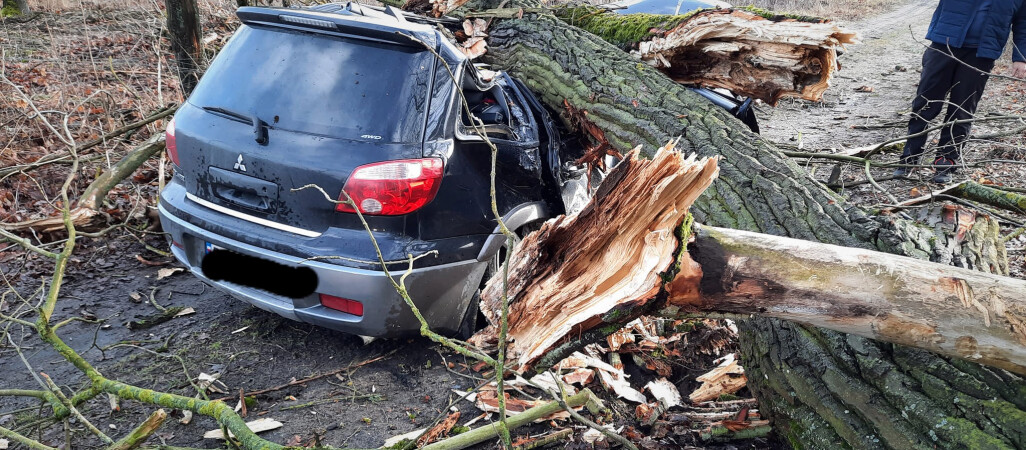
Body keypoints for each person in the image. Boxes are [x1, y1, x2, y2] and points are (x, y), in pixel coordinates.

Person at [894, 0, 1026, 184]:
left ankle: (946, 161)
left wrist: (1021, 57)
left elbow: (1023, 23)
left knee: (963, 108)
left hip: (982, 54)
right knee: (925, 102)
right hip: (944, 44)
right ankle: (910, 156)